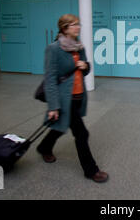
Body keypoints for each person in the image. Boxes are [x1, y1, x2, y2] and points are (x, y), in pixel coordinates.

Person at [36, 14, 108, 183]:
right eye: (74, 25)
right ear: (64, 28)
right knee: (82, 133)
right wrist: (53, 106)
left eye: (78, 24)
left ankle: (44, 147)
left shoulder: (79, 47)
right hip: (64, 99)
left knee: (60, 127)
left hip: (78, 96)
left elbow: (85, 70)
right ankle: (91, 171)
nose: (78, 27)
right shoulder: (54, 49)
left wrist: (86, 66)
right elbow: (51, 79)